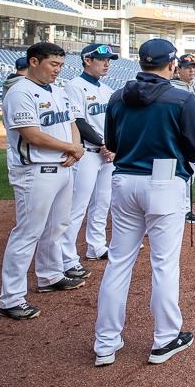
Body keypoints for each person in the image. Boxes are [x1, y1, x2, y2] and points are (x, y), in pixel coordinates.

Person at [93, 38, 195, 366]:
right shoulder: (180, 98)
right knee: (163, 264)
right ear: (171, 64)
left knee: (118, 262)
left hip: (124, 178)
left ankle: (105, 343)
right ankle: (165, 338)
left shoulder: (117, 96)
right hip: (164, 180)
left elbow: (112, 142)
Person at [0, 42, 85, 321]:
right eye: (53, 64)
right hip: (34, 170)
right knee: (28, 232)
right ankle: (10, 298)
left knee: (57, 226)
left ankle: (49, 275)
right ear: (34, 62)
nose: (58, 70)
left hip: (62, 166)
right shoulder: (19, 92)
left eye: (60, 65)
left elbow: (72, 122)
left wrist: (75, 146)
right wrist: (69, 148)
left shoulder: (58, 91)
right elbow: (31, 134)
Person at [60, 44, 118, 280]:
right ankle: (67, 257)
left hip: (107, 154)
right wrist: (105, 144)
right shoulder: (73, 86)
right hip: (87, 153)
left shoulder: (107, 89)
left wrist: (112, 146)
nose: (106, 63)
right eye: (102, 59)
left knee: (102, 202)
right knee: (78, 206)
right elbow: (79, 122)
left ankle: (96, 246)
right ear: (87, 60)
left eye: (109, 60)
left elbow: (115, 121)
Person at [171, 54, 195, 224]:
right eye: (187, 67)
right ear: (179, 69)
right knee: (171, 178)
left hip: (193, 140)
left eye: (194, 66)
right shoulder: (171, 88)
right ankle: (171, 210)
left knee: (190, 176)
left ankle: (185, 209)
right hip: (175, 140)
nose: (192, 69)